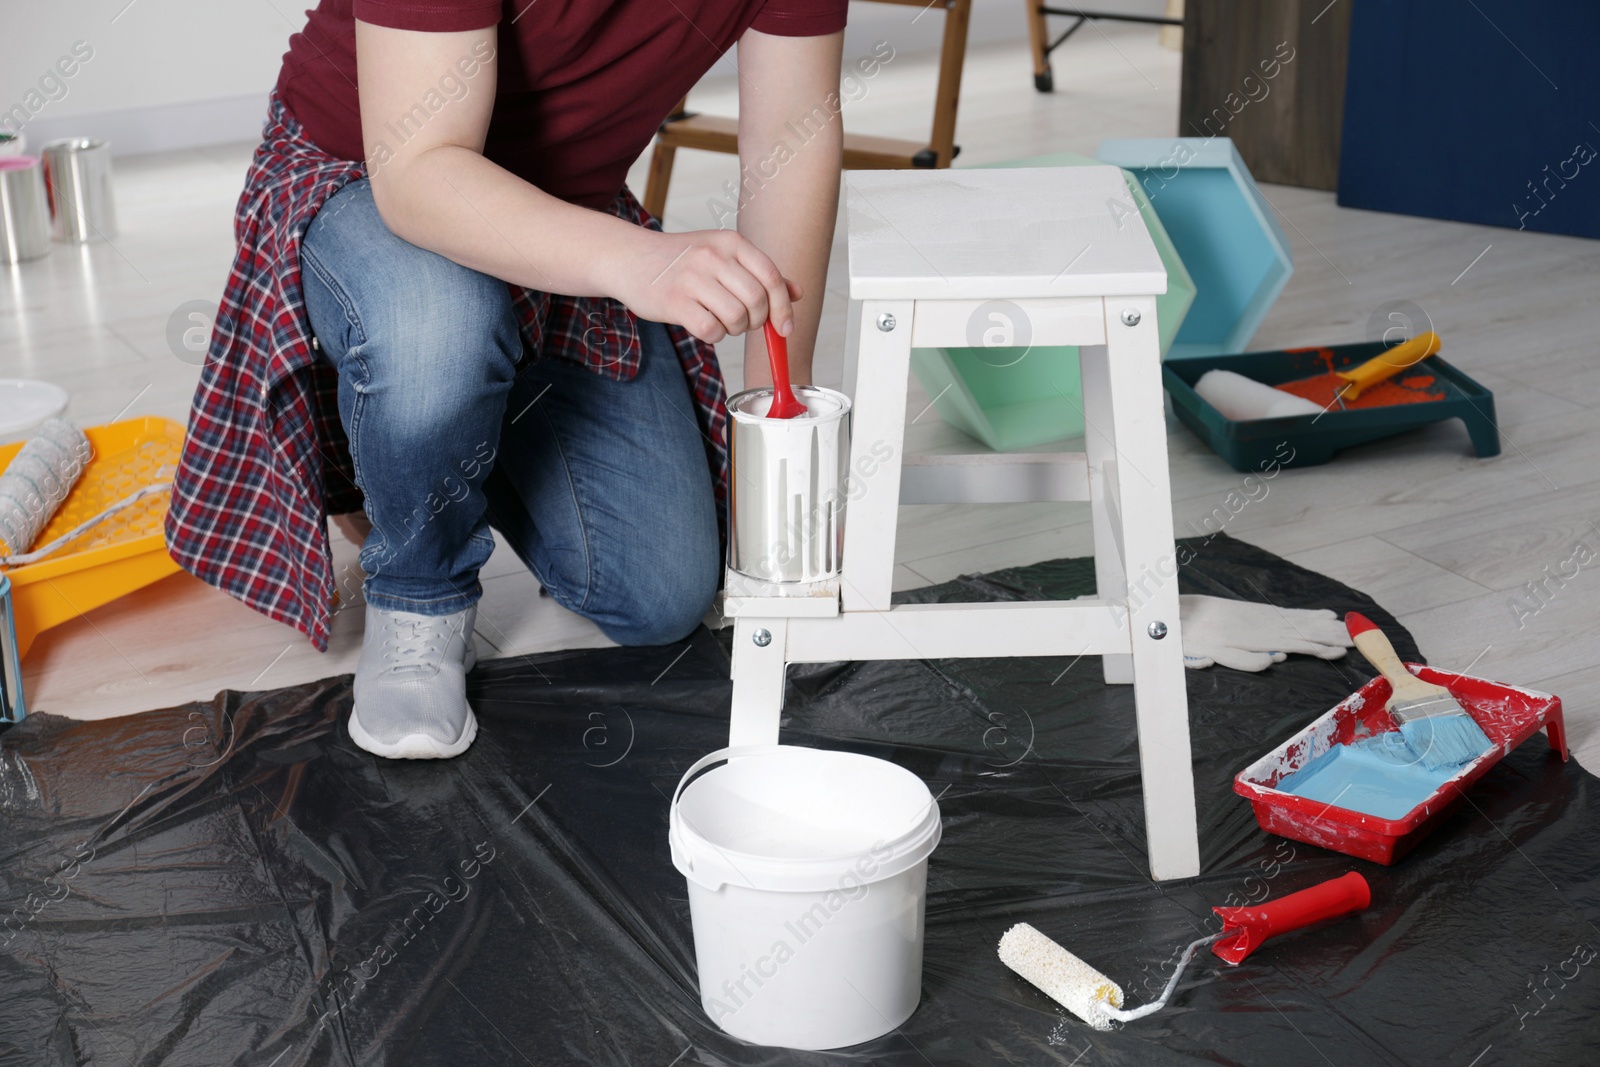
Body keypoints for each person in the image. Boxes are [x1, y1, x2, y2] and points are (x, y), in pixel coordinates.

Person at [165, 0, 847, 760]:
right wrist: (637, 263)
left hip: (564, 207)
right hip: (373, 181)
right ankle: (418, 596)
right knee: (438, 324)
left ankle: (410, 445)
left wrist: (780, 428)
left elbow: (795, 134)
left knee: (661, 595)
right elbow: (419, 171)